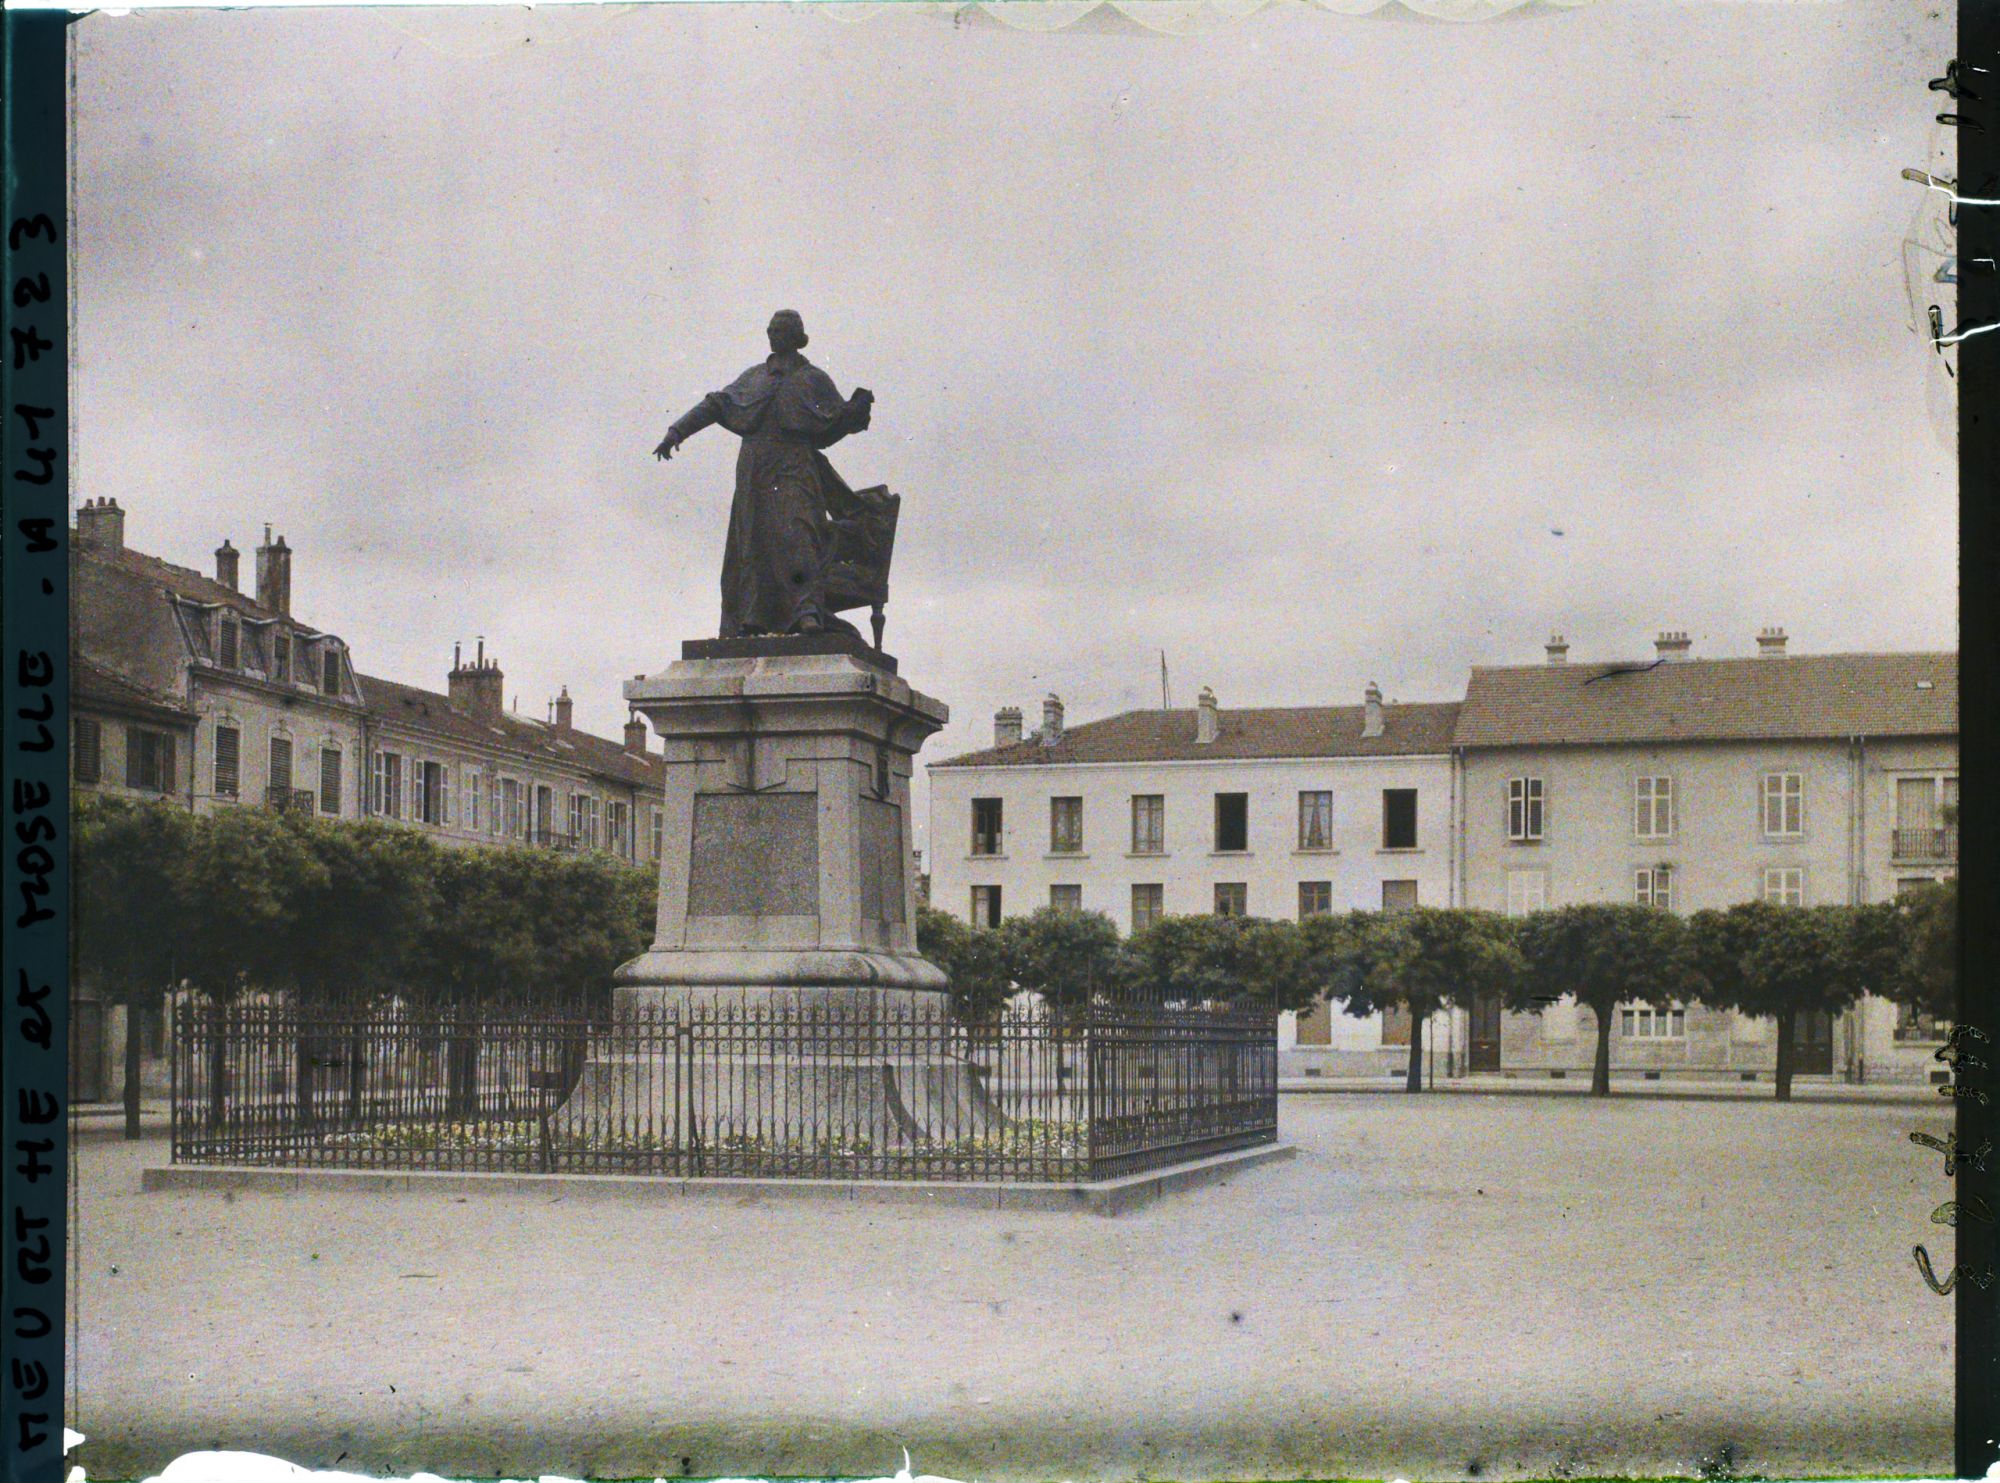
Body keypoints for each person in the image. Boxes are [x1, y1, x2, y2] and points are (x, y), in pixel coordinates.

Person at [655, 310, 875, 638]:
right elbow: (715, 404)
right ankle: (753, 617)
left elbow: (836, 419)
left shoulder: (814, 378)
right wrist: (677, 431)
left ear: (795, 336)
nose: (773, 335)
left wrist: (855, 411)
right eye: (770, 330)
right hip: (754, 466)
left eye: (780, 330)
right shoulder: (753, 377)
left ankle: (807, 611)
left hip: (794, 463)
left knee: (798, 532)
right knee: (751, 540)